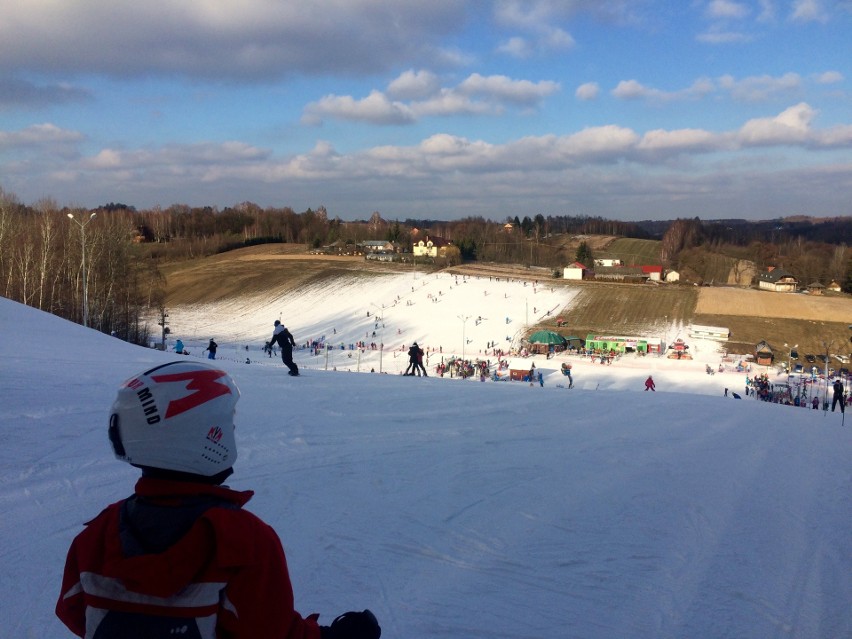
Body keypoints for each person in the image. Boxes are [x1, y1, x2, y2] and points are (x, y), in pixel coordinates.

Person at [55, 360, 380, 639]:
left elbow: (74, 614)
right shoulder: (243, 542)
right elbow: (272, 632)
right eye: (228, 425)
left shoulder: (96, 537)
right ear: (202, 435)